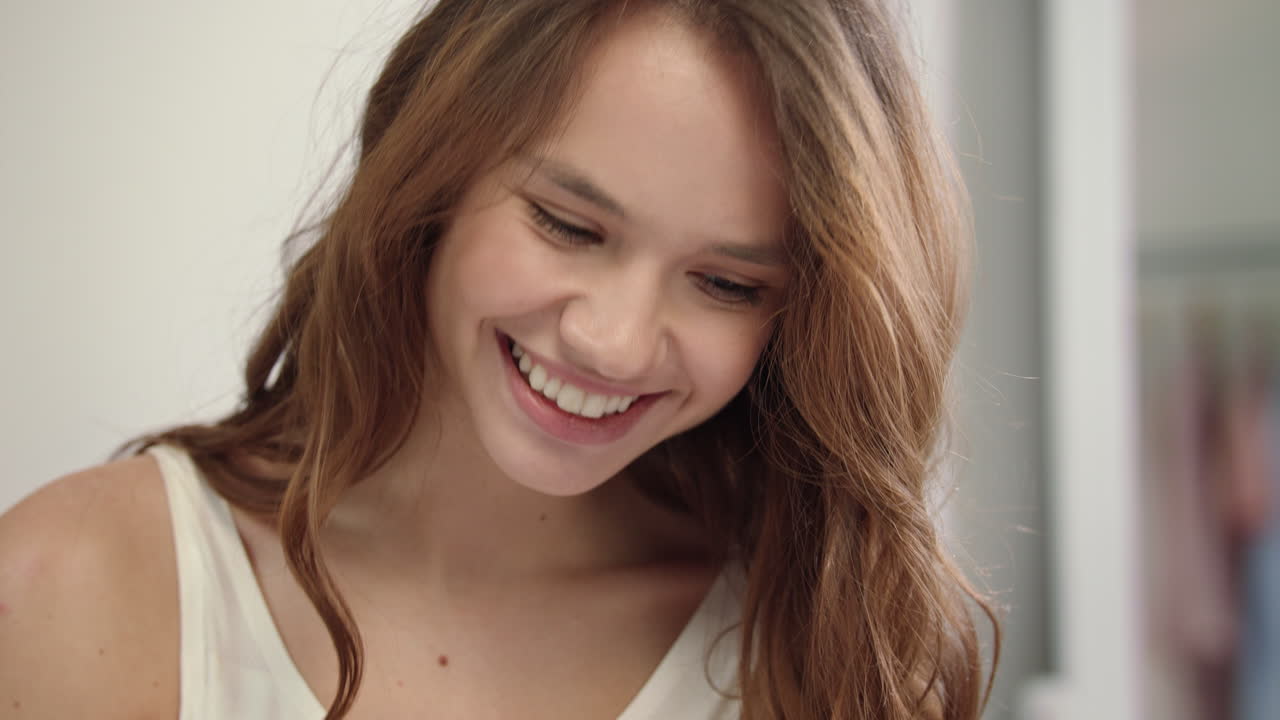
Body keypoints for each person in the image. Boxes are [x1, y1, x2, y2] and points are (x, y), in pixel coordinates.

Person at [0, 0, 998, 718]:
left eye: (728, 285)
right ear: (431, 176)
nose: (610, 339)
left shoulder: (817, 660)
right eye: (567, 224)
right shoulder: (75, 585)